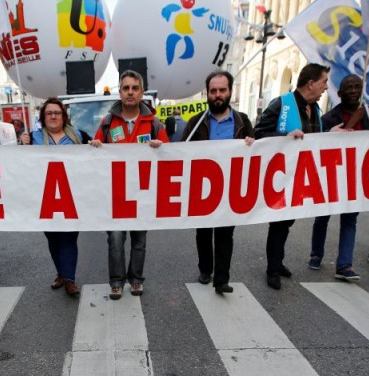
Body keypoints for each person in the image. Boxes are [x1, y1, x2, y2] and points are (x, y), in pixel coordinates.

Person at [90, 70, 168, 300]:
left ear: (142, 93)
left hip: (143, 193)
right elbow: (94, 155)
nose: (130, 92)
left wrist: (161, 146)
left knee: (139, 240)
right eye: (126, 88)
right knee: (115, 238)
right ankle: (116, 281)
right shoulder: (107, 123)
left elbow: (171, 155)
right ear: (120, 92)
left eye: (135, 88)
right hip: (115, 194)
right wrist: (95, 146)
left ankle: (135, 280)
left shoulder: (154, 123)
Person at [255, 63, 330, 290]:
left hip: (300, 177)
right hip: (279, 176)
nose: (325, 87)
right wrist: (284, 136)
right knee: (278, 224)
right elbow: (259, 133)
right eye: (323, 82)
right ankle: (272, 269)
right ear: (311, 83)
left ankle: (277, 262)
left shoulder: (314, 109)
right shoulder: (282, 104)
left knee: (286, 223)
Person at [182, 70, 255, 294]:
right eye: (213, 91)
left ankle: (221, 279)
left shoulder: (243, 121)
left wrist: (253, 142)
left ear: (230, 92)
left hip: (230, 187)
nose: (217, 95)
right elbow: (181, 150)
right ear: (207, 94)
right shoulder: (196, 122)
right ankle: (206, 269)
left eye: (222, 90)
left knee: (225, 234)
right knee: (203, 233)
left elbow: (259, 152)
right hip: (202, 188)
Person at [310, 74, 369, 282]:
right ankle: (316, 254)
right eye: (348, 88)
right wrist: (329, 134)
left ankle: (344, 265)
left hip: (356, 179)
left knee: (350, 220)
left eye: (356, 87)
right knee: (322, 218)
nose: (353, 91)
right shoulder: (328, 119)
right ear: (340, 94)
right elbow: (315, 144)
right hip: (330, 177)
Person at [20, 99, 83, 297]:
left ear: (64, 116)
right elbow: (18, 164)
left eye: (57, 112)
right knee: (53, 238)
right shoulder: (33, 137)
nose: (53, 116)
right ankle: (61, 273)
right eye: (49, 113)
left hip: (71, 196)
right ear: (43, 118)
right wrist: (22, 146)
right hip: (44, 198)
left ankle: (70, 279)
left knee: (68, 238)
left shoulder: (77, 136)